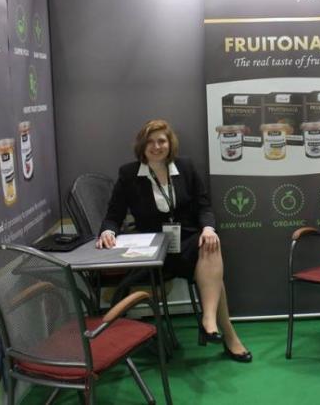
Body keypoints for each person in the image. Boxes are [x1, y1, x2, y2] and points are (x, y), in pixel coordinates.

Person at [97, 119, 252, 363]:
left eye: (161, 141)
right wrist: (108, 232)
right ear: (141, 145)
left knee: (211, 245)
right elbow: (113, 215)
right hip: (153, 250)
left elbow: (204, 206)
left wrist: (208, 228)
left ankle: (209, 320)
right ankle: (227, 334)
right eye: (150, 142)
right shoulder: (128, 174)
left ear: (170, 144)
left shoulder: (185, 167)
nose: (156, 146)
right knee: (215, 281)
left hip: (187, 242)